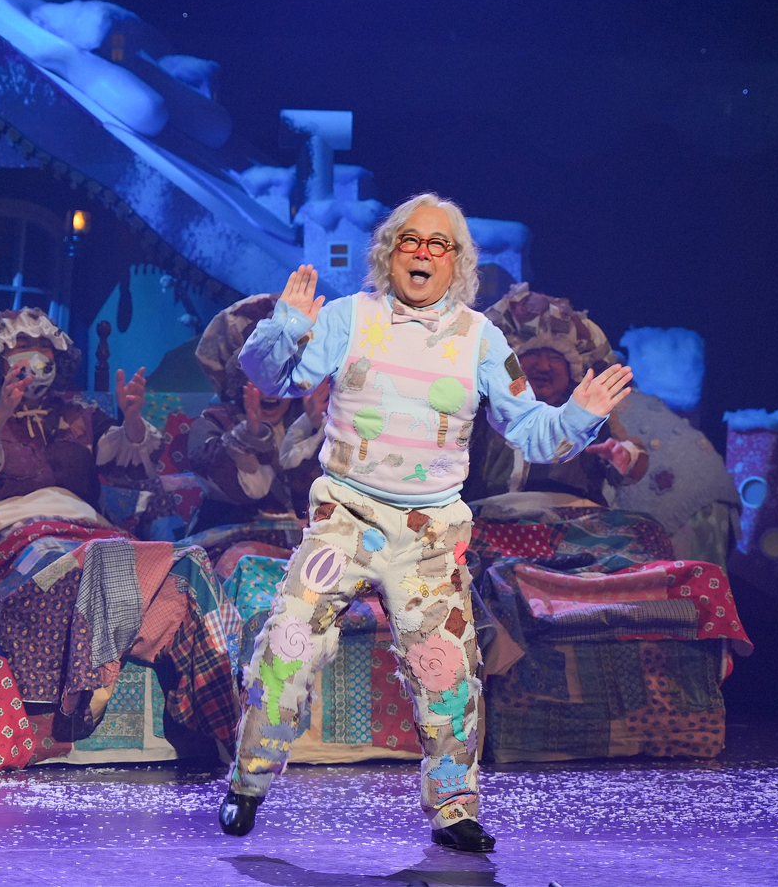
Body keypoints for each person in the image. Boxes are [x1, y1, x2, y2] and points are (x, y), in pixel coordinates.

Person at [216, 193, 633, 852]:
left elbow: (531, 432)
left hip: (430, 536)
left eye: (438, 245)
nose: (422, 253)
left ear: (456, 262)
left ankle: (455, 808)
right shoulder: (350, 317)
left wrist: (580, 415)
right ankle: (248, 779)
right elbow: (272, 379)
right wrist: (286, 325)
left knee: (446, 670)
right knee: (288, 641)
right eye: (410, 241)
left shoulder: (481, 339)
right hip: (345, 519)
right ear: (390, 254)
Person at [0, 307, 160, 575]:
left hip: (83, 529)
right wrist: (2, 412)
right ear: (0, 360)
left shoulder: (80, 414)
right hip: (7, 529)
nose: (35, 354)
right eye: (22, 346)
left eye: (44, 346)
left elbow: (130, 468)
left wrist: (131, 418)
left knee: (135, 568)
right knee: (52, 563)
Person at [461, 284, 648, 509]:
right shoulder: (481, 413)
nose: (544, 366)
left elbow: (630, 468)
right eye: (532, 354)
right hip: (488, 521)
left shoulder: (588, 416)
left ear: (573, 369)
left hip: (573, 522)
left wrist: (625, 458)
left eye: (555, 357)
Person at [188, 294, 327, 535]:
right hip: (234, 536)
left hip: (305, 540)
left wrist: (319, 428)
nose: (269, 389)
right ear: (238, 381)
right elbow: (219, 476)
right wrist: (248, 438)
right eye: (259, 376)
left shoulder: (309, 415)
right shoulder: (216, 420)